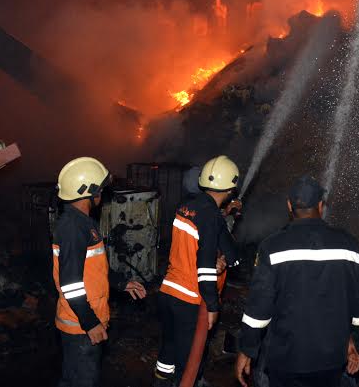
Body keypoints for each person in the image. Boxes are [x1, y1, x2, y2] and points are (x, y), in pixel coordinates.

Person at [235, 176, 359, 387]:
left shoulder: (272, 247)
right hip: (332, 358)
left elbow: (259, 308)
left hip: (286, 358)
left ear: (289, 206)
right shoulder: (349, 245)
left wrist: (247, 349)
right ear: (321, 206)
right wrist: (356, 341)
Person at [53, 157, 147, 387]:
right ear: (90, 192)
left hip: (83, 321)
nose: (103, 194)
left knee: (72, 379)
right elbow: (70, 283)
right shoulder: (73, 228)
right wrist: (90, 322)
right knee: (82, 380)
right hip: (80, 325)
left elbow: (93, 268)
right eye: (101, 189)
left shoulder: (82, 222)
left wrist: (122, 283)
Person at [155, 155, 241, 386]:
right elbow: (205, 266)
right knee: (190, 357)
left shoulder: (187, 206)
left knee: (169, 347)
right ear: (231, 188)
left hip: (168, 291)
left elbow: (229, 254)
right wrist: (212, 305)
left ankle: (162, 381)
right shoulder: (211, 216)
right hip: (189, 298)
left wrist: (227, 217)